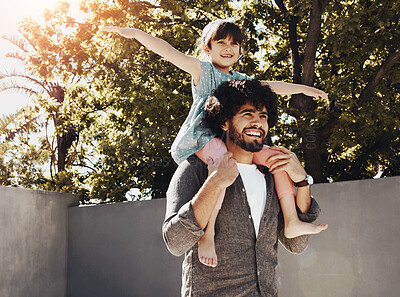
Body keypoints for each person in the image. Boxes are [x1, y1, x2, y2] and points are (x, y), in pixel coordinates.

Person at [101, 20, 327, 267]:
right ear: (208, 47)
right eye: (221, 42)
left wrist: (304, 89)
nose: (228, 48)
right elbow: (168, 51)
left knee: (277, 157)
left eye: (234, 43)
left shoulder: (241, 80)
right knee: (222, 161)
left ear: (241, 50)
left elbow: (272, 87)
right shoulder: (203, 71)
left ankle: (292, 220)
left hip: (230, 141)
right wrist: (135, 33)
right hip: (203, 139)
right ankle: (207, 235)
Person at [162, 79, 327, 296]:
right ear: (225, 122)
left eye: (263, 117)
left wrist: (302, 181)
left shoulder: (272, 176)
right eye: (247, 114)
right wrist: (215, 182)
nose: (257, 123)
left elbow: (296, 244)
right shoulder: (196, 168)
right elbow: (175, 242)